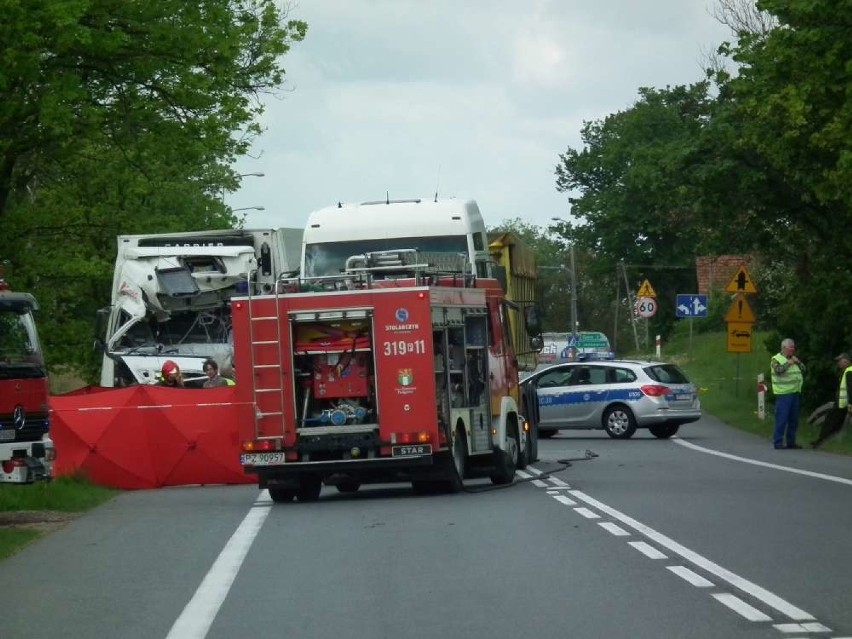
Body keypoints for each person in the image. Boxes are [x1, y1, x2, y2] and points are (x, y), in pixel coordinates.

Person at [770, 338, 806, 449]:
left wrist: (798, 362)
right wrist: (788, 363)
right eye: (790, 348)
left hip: (795, 392)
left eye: (793, 348)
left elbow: (804, 369)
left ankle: (791, 442)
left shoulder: (794, 359)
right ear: (784, 348)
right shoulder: (776, 359)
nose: (792, 350)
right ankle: (778, 442)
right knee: (782, 419)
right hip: (783, 394)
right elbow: (778, 370)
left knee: (793, 420)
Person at [811, 352, 852, 449]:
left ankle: (820, 442)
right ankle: (823, 441)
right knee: (834, 423)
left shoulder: (849, 372)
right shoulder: (846, 371)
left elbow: (850, 389)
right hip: (843, 403)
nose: (838, 363)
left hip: (843, 404)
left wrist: (850, 403)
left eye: (840, 361)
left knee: (830, 422)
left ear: (846, 361)